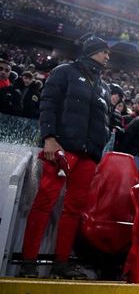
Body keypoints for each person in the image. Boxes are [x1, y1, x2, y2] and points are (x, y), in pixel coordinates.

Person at [18, 33, 111, 279]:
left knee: (75, 209)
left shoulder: (103, 85)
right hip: (62, 147)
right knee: (45, 200)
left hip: (89, 155)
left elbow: (104, 121)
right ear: (91, 51)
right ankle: (28, 262)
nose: (107, 55)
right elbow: (48, 103)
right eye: (103, 51)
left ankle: (61, 264)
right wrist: (49, 137)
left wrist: (98, 149)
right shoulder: (64, 72)